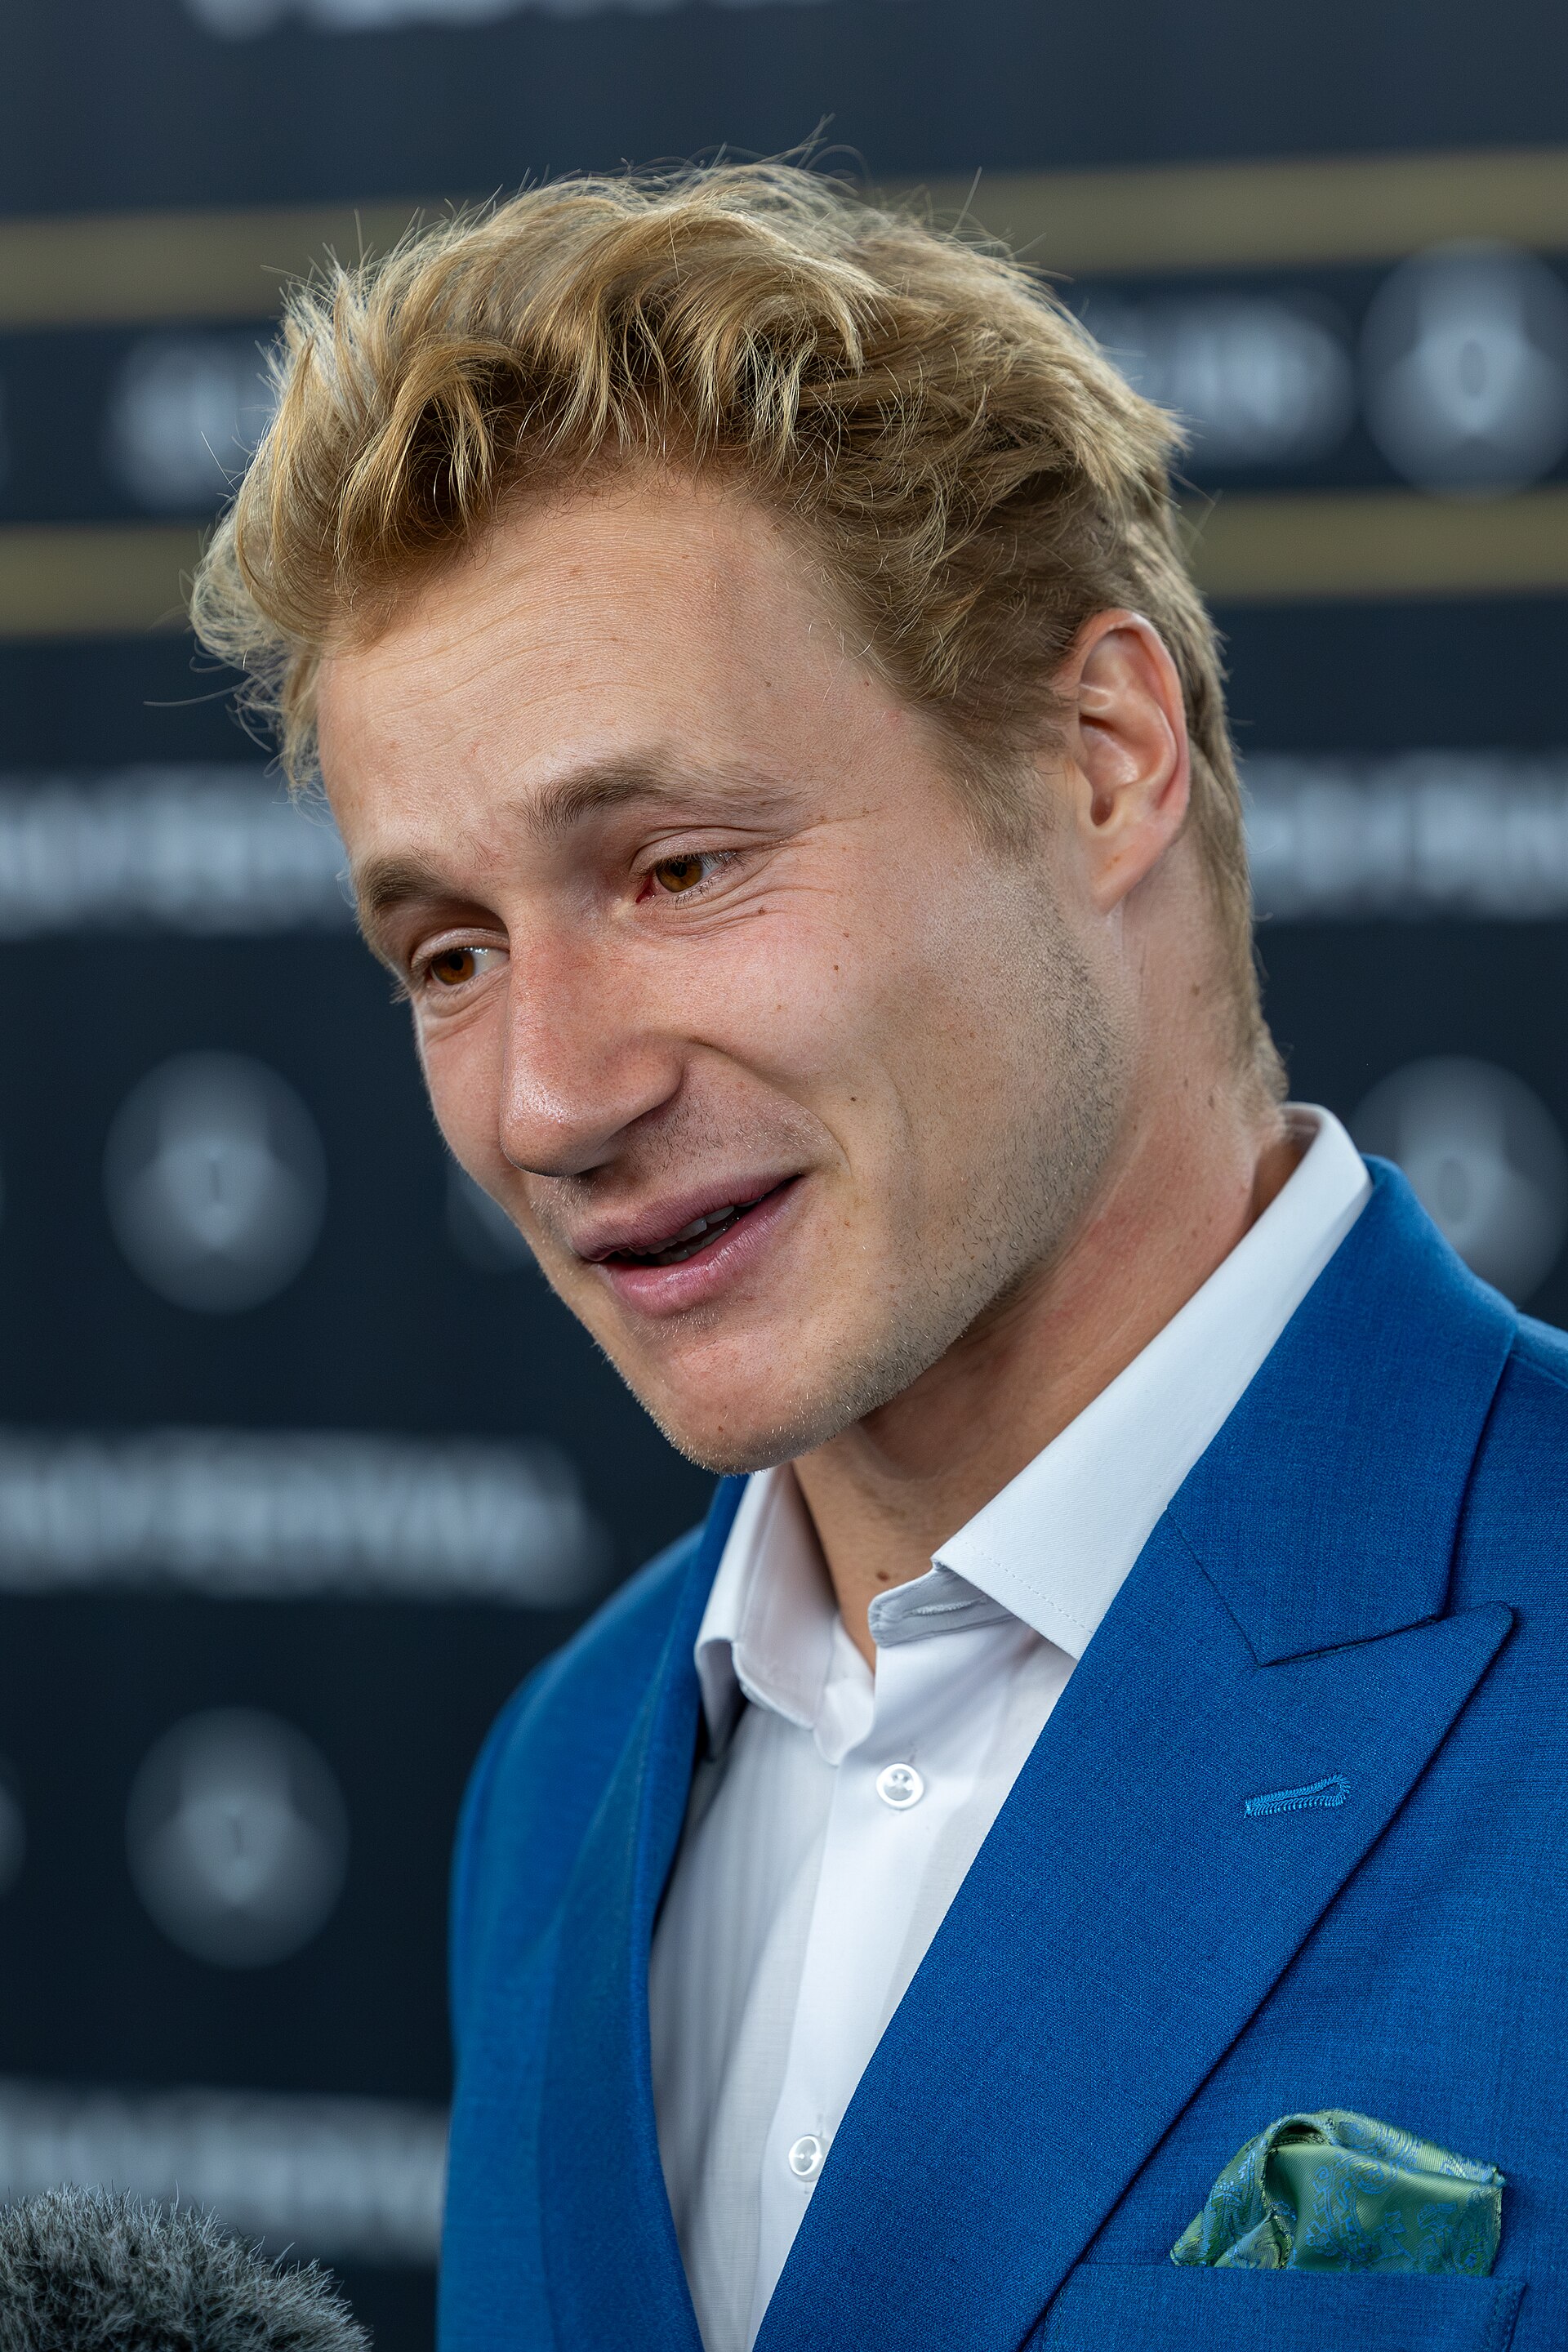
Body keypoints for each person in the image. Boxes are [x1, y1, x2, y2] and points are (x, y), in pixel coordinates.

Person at [192, 165, 1566, 2351]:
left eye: (676, 867)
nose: (549, 1097)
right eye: (447, 951)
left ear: (1102, 759)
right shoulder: (561, 1785)